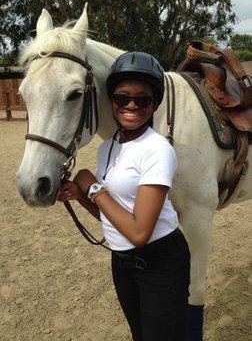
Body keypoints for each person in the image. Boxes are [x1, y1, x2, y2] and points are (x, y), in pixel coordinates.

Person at [58, 51, 190, 341]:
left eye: (142, 100)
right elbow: (112, 216)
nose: (131, 105)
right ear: (112, 102)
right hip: (123, 262)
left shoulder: (157, 149)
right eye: (122, 98)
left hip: (160, 262)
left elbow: (140, 232)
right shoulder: (108, 148)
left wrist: (92, 186)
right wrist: (79, 194)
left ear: (153, 104)